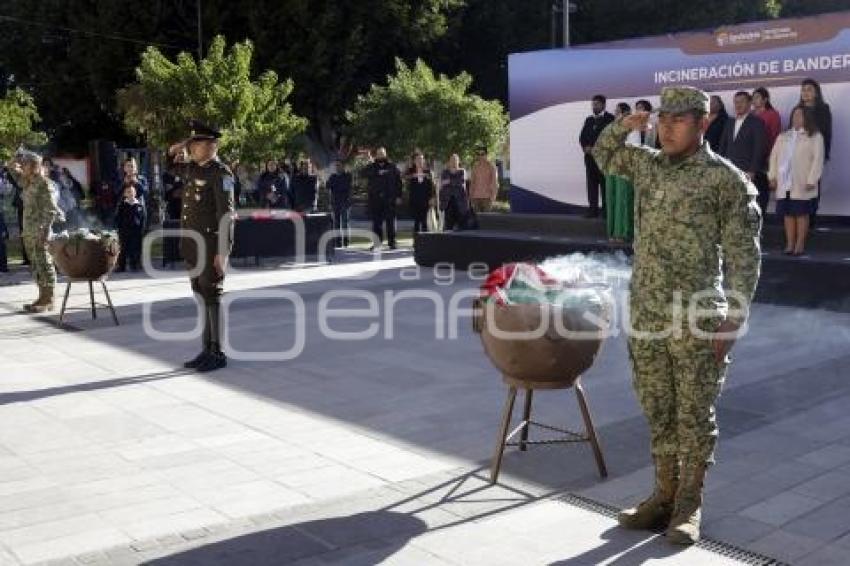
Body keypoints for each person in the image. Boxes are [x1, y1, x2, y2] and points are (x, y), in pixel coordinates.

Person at [592, 86, 762, 545]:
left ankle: (690, 504)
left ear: (703, 124)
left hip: (697, 315)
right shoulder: (646, 165)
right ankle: (662, 495)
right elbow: (604, 156)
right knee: (657, 407)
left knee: (694, 413)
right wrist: (625, 126)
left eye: (679, 119)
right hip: (647, 310)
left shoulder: (724, 180)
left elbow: (745, 256)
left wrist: (733, 318)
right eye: (663, 117)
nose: (666, 127)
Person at [167, 120, 235, 373]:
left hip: (210, 246)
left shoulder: (221, 173)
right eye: (192, 144)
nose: (193, 148)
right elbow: (171, 165)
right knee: (201, 295)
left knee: (213, 296)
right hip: (193, 246)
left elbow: (227, 215)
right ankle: (206, 349)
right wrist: (178, 146)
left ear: (212, 146)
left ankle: (218, 352)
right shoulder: (193, 169)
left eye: (198, 143)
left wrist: (223, 251)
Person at [7, 151, 64, 312]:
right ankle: (42, 296)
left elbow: (52, 210)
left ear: (34, 166)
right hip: (29, 230)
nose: (22, 167)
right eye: (23, 164)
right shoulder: (27, 181)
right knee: (36, 265)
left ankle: (50, 298)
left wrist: (45, 231)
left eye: (25, 164)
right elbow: (11, 167)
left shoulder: (45, 183)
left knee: (44, 263)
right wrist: (16, 157)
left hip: (40, 230)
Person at [768, 105, 824, 256]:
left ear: (807, 117)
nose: (796, 118)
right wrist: (772, 176)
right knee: (787, 214)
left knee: (801, 213)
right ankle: (790, 243)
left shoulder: (815, 136)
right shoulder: (783, 136)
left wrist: (812, 179)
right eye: (794, 115)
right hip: (784, 182)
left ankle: (800, 244)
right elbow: (774, 158)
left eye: (800, 115)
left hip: (802, 182)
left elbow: (818, 160)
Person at [719, 91, 769, 216]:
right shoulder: (729, 122)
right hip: (729, 172)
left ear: (749, 103)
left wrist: (752, 170)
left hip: (747, 173)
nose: (738, 105)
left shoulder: (756, 122)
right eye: (736, 102)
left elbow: (759, 148)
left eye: (741, 101)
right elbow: (723, 146)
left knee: (746, 207)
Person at [799, 78, 832, 225]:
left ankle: (810, 220)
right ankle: (798, 218)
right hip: (797, 156)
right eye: (803, 90)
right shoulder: (797, 110)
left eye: (809, 90)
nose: (805, 93)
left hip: (814, 156)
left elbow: (827, 133)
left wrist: (824, 156)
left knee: (812, 187)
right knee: (797, 188)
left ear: (816, 93)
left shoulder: (823, 109)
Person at [604, 103, 637, 244]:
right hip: (611, 168)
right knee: (612, 199)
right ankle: (612, 231)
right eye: (616, 112)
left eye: (618, 112)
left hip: (625, 168)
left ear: (626, 113)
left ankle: (623, 233)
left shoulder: (633, 128)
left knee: (623, 200)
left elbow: (634, 148)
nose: (616, 114)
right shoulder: (612, 127)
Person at [579, 94, 616, 217]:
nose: (594, 106)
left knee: (605, 186)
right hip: (589, 159)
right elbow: (582, 136)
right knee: (591, 185)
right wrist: (585, 147)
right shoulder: (589, 119)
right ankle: (592, 210)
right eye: (592, 104)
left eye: (596, 104)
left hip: (604, 160)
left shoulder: (611, 119)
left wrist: (596, 149)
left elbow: (612, 139)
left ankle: (607, 212)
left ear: (603, 105)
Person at [362, 147, 402, 250]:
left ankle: (392, 242)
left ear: (386, 155)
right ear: (376, 155)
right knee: (376, 222)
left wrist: (398, 196)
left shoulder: (392, 167)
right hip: (375, 200)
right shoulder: (372, 166)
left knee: (390, 222)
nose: (381, 155)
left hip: (390, 199)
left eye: (383, 154)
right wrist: (372, 167)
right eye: (379, 154)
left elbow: (399, 182)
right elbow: (363, 174)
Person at [114, 183, 146, 271]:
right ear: (124, 194)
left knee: (135, 248)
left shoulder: (139, 205)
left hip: (136, 230)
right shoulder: (122, 205)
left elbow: (143, 218)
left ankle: (135, 264)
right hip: (124, 230)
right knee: (123, 248)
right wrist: (119, 227)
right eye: (128, 192)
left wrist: (142, 229)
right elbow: (117, 217)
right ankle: (121, 266)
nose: (130, 193)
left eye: (132, 191)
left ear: (135, 193)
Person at [405, 151, 434, 234]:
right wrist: (412, 176)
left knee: (425, 221)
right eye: (418, 159)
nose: (420, 161)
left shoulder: (428, 171)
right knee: (416, 221)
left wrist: (432, 197)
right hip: (415, 199)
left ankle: (426, 242)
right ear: (414, 161)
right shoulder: (410, 171)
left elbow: (432, 186)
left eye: (421, 159)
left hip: (425, 199)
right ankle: (416, 241)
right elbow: (403, 177)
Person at [439, 154, 470, 231]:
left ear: (458, 162)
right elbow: (443, 183)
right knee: (448, 226)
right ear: (449, 162)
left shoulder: (462, 171)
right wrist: (454, 182)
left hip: (460, 202)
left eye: (455, 160)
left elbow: (461, 182)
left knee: (461, 226)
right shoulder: (445, 172)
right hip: (448, 202)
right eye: (452, 160)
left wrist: (449, 181)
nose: (453, 162)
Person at [327, 160, 353, 247]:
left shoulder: (347, 176)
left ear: (343, 166)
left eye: (339, 165)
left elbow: (345, 186)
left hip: (345, 203)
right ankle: (338, 243)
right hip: (335, 203)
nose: (337, 167)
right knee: (336, 223)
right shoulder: (333, 177)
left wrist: (335, 185)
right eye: (336, 166)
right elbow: (328, 185)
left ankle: (345, 242)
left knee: (345, 223)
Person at [752, 87, 781, 157]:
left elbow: (774, 136)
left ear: (765, 100)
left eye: (757, 97)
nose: (754, 100)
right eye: (753, 98)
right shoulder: (750, 114)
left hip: (766, 153)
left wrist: (771, 154)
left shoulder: (773, 114)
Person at [469, 146, 499, 213]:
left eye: (482, 154)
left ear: (486, 155)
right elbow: (472, 182)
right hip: (476, 197)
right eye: (478, 154)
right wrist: (471, 196)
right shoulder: (475, 166)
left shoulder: (492, 167)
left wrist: (492, 198)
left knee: (486, 221)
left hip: (487, 198)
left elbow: (495, 183)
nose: (480, 156)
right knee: (476, 221)